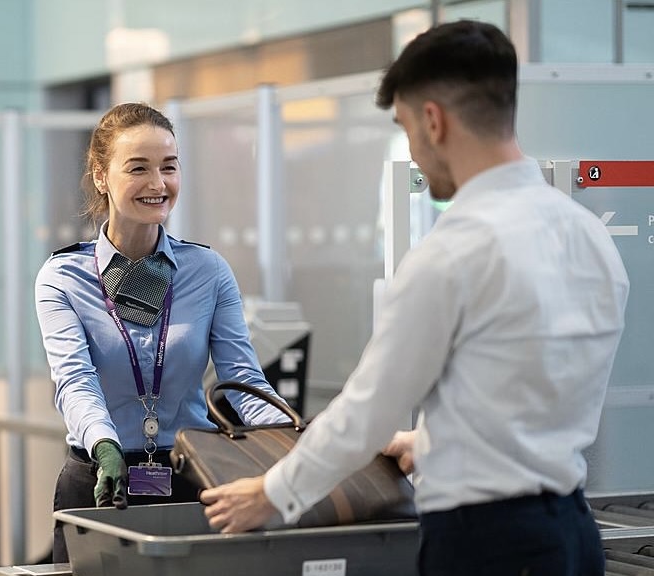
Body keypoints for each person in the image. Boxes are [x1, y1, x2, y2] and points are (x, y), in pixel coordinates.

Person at [200, 20, 629, 576]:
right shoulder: (590, 236)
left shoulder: (453, 253)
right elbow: (534, 392)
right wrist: (431, 443)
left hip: (486, 546)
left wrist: (271, 492)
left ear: (433, 120)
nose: (415, 153)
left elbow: (365, 414)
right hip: (574, 536)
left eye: (405, 128)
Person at [35, 102, 291, 563]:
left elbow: (244, 381)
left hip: (194, 479)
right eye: (139, 168)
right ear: (100, 175)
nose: (158, 184)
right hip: (99, 479)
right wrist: (105, 442)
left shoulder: (207, 271)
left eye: (169, 167)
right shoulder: (64, 276)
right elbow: (74, 380)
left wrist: (292, 441)